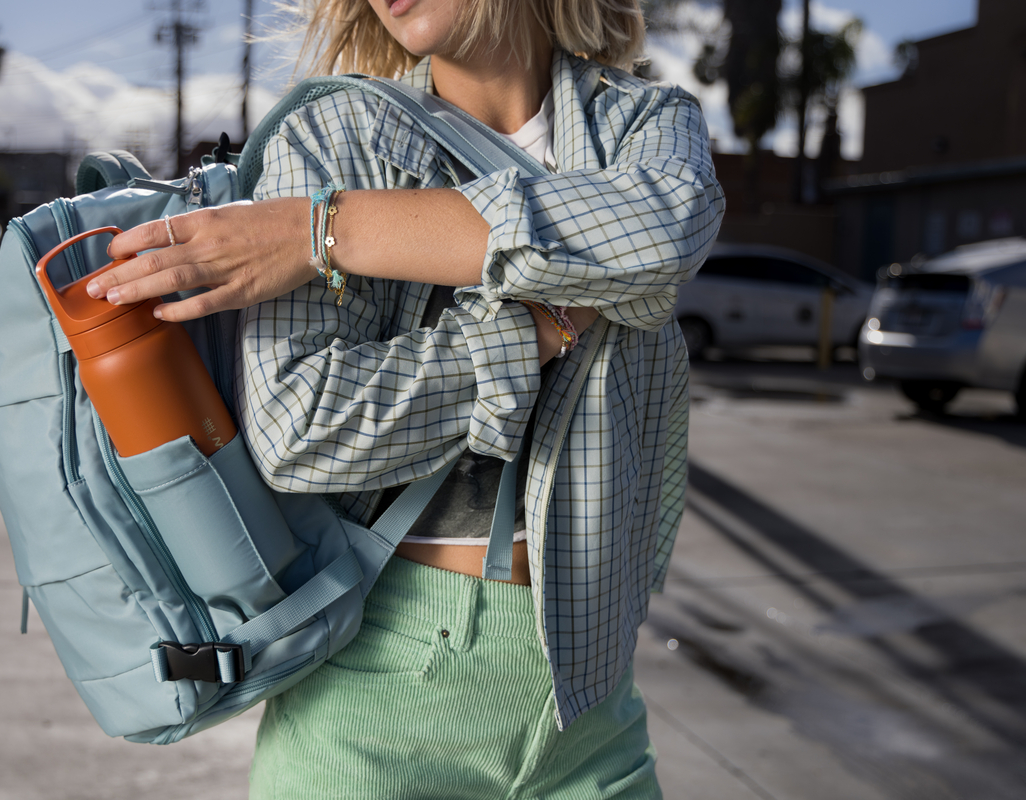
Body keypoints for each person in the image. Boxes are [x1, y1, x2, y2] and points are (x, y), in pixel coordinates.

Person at [86, 0, 724, 796]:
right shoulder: (331, 137)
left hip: (587, 702)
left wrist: (323, 233)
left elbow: (663, 232)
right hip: (380, 697)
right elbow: (301, 427)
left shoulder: (640, 121)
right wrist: (540, 322)